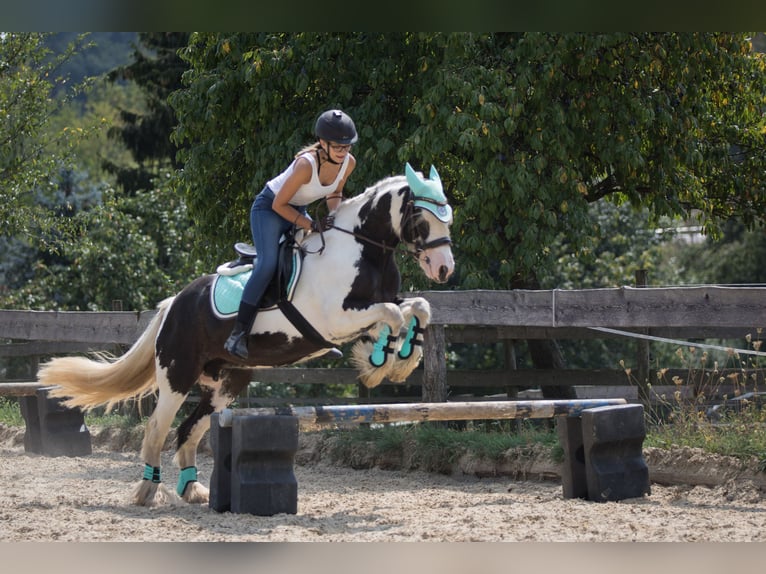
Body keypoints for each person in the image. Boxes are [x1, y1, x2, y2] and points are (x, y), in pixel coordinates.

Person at [224, 109, 358, 359]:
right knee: (268, 265)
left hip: (296, 208)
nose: (343, 152)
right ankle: (238, 334)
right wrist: (308, 225)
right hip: (269, 209)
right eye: (338, 147)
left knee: (317, 260)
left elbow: (334, 193)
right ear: (322, 143)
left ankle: (317, 336)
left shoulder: (348, 163)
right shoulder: (306, 165)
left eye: (347, 146)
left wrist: (336, 218)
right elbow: (278, 205)